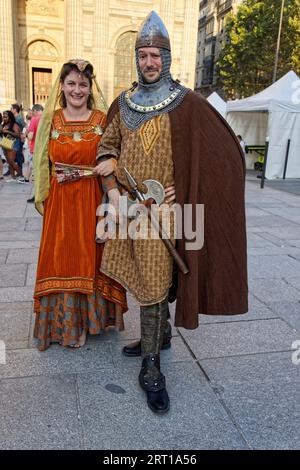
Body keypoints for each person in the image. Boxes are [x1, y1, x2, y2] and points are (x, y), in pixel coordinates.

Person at [95, 11, 248, 414]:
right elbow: (105, 148)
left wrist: (189, 185)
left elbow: (223, 154)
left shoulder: (188, 103)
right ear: (136, 58)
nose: (149, 62)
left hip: (168, 213)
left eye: (155, 55)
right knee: (150, 280)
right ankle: (158, 336)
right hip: (130, 210)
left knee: (152, 281)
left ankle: (152, 367)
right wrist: (110, 189)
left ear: (166, 58)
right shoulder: (122, 104)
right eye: (143, 54)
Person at [33, 59, 127, 351]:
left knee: (90, 260)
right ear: (61, 86)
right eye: (71, 83)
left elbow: (117, 154)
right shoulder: (51, 121)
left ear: (90, 88)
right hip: (60, 204)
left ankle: (87, 324)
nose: (77, 90)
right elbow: (43, 161)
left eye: (82, 84)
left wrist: (112, 167)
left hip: (90, 199)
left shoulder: (102, 120)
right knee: (60, 260)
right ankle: (61, 325)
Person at [26, 104, 44, 200]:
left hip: (36, 150)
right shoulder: (47, 118)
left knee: (36, 175)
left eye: (32, 112)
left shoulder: (34, 119)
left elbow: (31, 136)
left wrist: (27, 134)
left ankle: (37, 196)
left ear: (35, 111)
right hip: (45, 149)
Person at [0, 110, 21, 180]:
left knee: (11, 161)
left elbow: (18, 135)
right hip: (7, 143)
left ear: (10, 117)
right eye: (3, 117)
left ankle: (21, 175)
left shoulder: (14, 125)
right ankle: (13, 177)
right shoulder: (4, 124)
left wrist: (8, 131)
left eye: (5, 117)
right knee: (9, 162)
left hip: (14, 144)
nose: (4, 118)